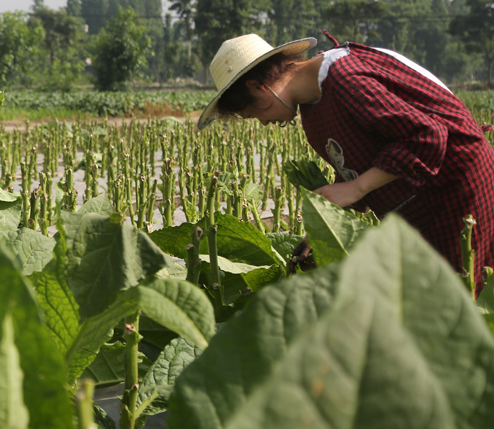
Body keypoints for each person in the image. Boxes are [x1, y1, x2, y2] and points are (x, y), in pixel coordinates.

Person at [198, 32, 494, 287]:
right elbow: (357, 169)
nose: (263, 123)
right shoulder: (312, 106)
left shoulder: (344, 77)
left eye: (256, 113)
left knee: (457, 301)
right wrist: (323, 228)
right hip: (421, 204)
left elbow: (427, 137)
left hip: (459, 187)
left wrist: (356, 188)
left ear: (259, 88)